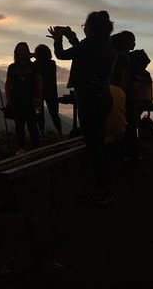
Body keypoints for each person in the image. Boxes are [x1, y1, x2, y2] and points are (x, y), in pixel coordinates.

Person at [48, 11, 115, 197]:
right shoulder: (106, 44)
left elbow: (61, 55)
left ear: (91, 28)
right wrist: (73, 37)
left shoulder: (89, 44)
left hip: (89, 97)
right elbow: (82, 51)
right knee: (99, 140)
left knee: (92, 144)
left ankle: (99, 189)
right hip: (104, 96)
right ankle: (105, 185)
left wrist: (57, 38)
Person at [5, 42, 42, 153]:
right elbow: (8, 84)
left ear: (27, 52)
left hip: (31, 100)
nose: (21, 52)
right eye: (19, 50)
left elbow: (38, 82)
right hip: (17, 100)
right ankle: (21, 148)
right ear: (16, 52)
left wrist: (39, 98)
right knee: (19, 125)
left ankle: (35, 148)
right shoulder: (12, 67)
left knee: (32, 124)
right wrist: (9, 100)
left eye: (24, 50)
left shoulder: (34, 66)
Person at [33, 44, 63, 137]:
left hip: (38, 93)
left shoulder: (35, 64)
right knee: (54, 114)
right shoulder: (52, 63)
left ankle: (41, 134)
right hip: (52, 93)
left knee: (39, 115)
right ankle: (60, 133)